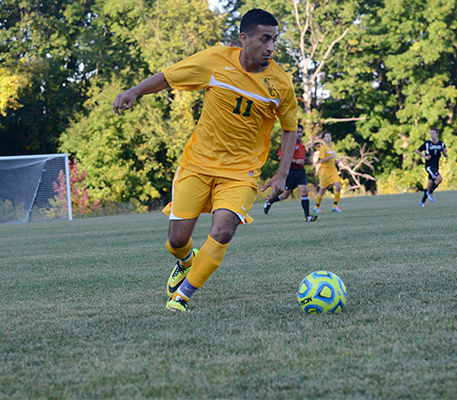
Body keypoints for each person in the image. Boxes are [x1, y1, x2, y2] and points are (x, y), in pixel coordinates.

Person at [112, 9, 298, 312]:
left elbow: (290, 129)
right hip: (197, 164)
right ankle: (186, 261)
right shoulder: (215, 60)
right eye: (265, 39)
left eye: (275, 40)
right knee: (176, 240)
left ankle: (182, 298)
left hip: (241, 171)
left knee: (224, 229)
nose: (271, 47)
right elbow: (169, 77)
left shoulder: (281, 84)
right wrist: (135, 91)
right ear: (244, 38)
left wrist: (281, 175)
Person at [263, 124, 317, 222]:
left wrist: (305, 160)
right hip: (290, 172)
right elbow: (280, 157)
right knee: (285, 195)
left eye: (301, 132)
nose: (299, 134)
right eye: (297, 132)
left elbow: (300, 159)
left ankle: (307, 216)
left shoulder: (301, 144)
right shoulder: (288, 144)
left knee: (304, 191)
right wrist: (296, 161)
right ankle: (270, 201)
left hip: (300, 172)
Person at [416, 127, 448, 207]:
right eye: (431, 133)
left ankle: (422, 201)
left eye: (433, 133)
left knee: (430, 184)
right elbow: (417, 151)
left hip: (436, 166)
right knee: (439, 178)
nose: (432, 135)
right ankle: (430, 192)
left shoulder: (441, 143)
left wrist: (445, 154)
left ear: (437, 134)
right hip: (429, 166)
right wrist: (425, 157)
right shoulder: (427, 143)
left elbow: (444, 153)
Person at [314, 131, 342, 213]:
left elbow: (332, 159)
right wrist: (331, 157)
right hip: (325, 171)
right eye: (326, 136)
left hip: (333, 170)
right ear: (323, 139)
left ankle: (335, 206)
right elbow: (322, 160)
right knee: (322, 190)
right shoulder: (323, 148)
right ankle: (316, 206)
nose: (328, 138)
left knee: (338, 186)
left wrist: (336, 161)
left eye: (329, 136)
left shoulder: (332, 147)